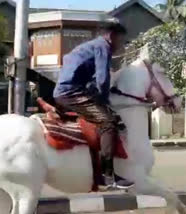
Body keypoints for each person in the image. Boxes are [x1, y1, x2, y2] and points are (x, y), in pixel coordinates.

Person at [53, 22, 133, 189]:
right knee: (108, 123)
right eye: (121, 40)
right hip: (71, 93)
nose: (121, 45)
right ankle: (108, 176)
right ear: (111, 36)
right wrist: (104, 98)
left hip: (67, 91)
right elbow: (102, 79)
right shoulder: (103, 47)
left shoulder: (89, 46)